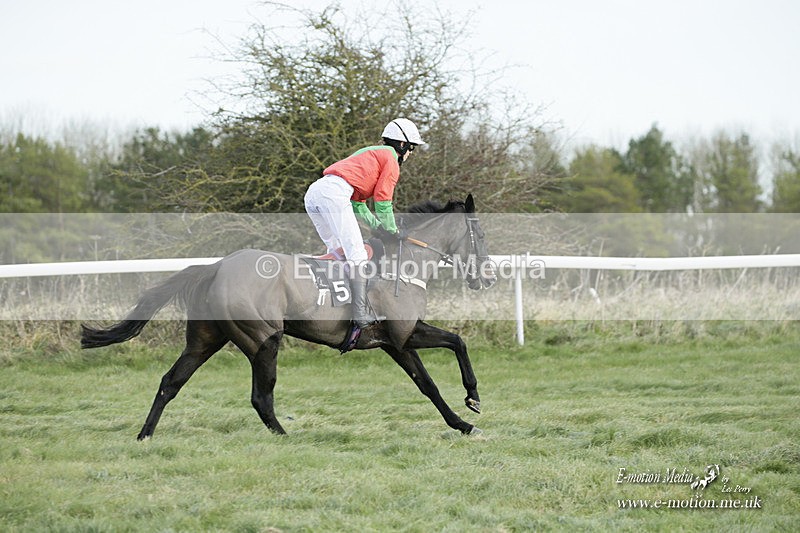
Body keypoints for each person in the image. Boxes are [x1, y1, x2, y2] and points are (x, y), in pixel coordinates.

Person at [304, 118, 425, 346]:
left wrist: (379, 227)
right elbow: (383, 201)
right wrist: (391, 229)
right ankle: (360, 314)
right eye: (411, 149)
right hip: (333, 194)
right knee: (357, 255)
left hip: (314, 193)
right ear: (402, 145)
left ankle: (334, 303)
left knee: (338, 253)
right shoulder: (391, 160)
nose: (410, 154)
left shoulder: (370, 153)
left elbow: (359, 205)